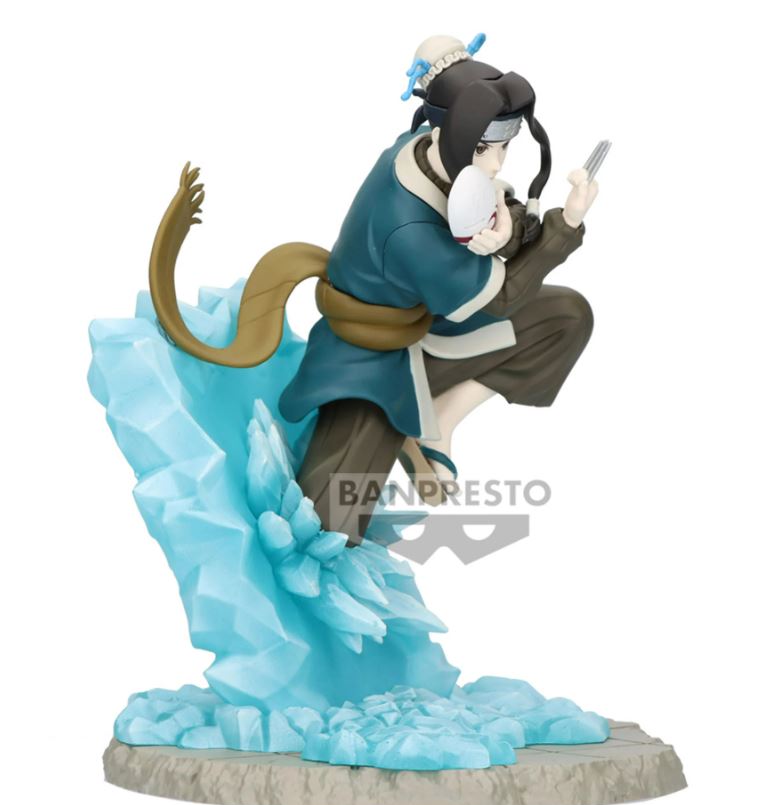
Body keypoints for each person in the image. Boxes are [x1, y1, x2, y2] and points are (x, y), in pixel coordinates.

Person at [147, 34, 599, 545]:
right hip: (369, 361)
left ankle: (440, 421)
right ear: (452, 135)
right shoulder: (409, 226)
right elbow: (501, 297)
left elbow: (494, 215)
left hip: (433, 326)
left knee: (565, 318)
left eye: (502, 148)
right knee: (326, 526)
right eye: (482, 149)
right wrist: (565, 226)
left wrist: (509, 224)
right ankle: (390, 425)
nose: (495, 165)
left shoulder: (425, 147)